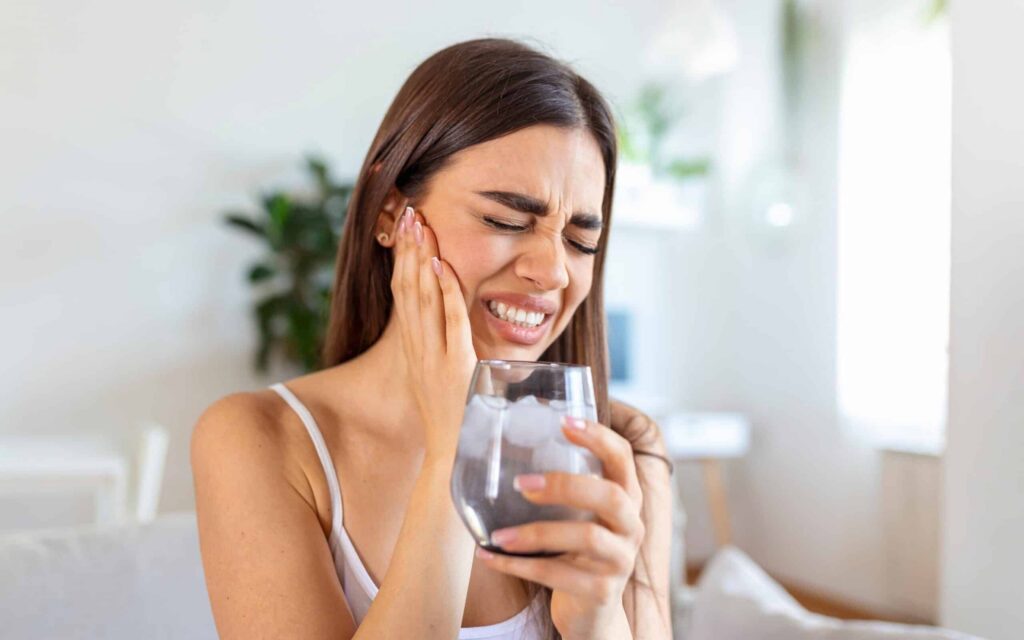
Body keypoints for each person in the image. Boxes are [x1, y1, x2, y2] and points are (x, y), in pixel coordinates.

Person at [191, 37, 673, 640]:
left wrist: (598, 620)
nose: (552, 271)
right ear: (391, 213)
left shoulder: (623, 446)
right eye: (505, 220)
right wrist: (453, 448)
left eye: (580, 240)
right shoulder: (259, 439)